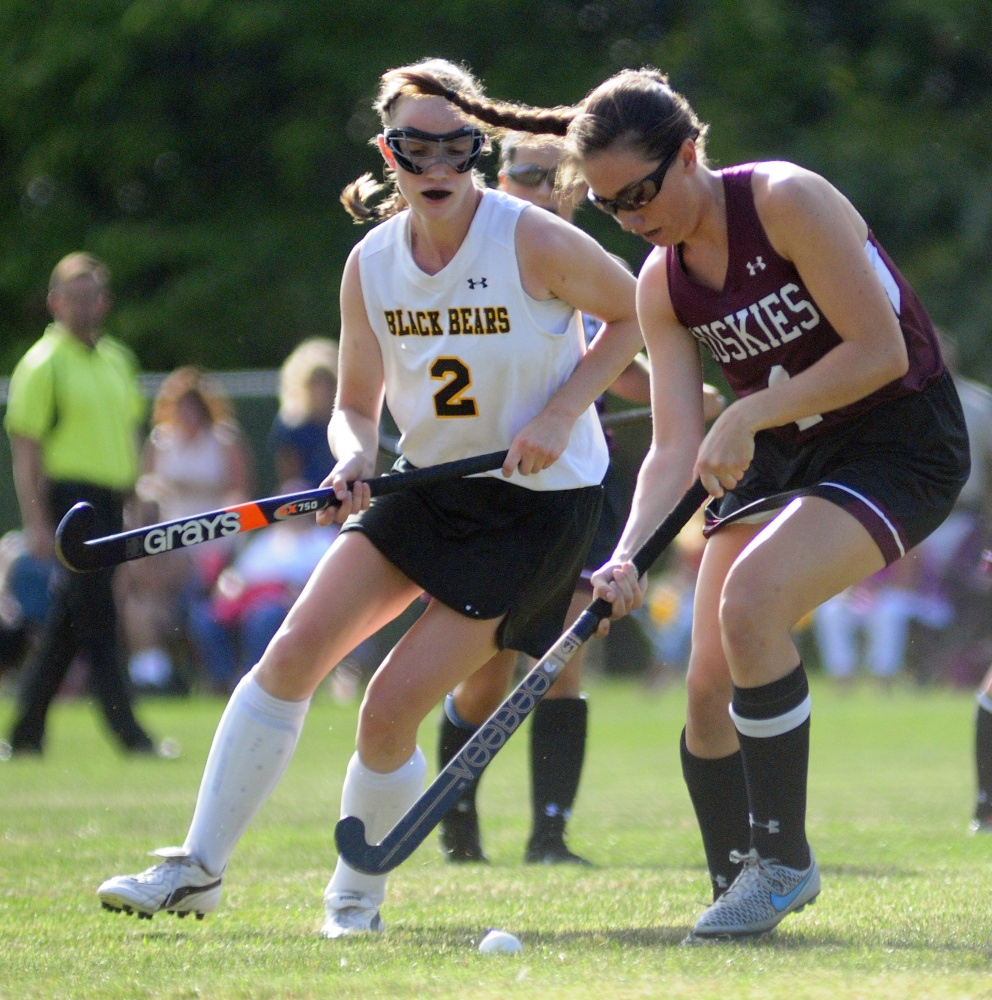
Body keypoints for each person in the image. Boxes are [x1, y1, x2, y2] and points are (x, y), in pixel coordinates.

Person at [400, 67, 970, 939]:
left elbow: (880, 350)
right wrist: (625, 555)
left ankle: (782, 865)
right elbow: (670, 446)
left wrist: (747, 410)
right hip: (782, 450)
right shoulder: (662, 282)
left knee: (753, 601)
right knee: (707, 686)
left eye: (641, 192)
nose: (632, 218)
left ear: (690, 152)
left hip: (899, 439)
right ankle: (736, 892)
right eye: (609, 205)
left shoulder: (784, 201)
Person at [95, 57, 643, 937]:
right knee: (292, 650)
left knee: (388, 708)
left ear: (478, 151)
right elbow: (355, 404)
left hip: (535, 508)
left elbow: (637, 311)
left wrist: (564, 409)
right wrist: (350, 459)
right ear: (388, 152)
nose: (435, 167)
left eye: (456, 148)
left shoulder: (528, 236)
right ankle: (197, 868)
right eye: (413, 147)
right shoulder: (371, 264)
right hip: (425, 486)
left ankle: (355, 903)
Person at [435, 132, 727, 865]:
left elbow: (620, 361)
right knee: (486, 672)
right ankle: (456, 823)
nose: (545, 188)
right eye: (530, 174)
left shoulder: (586, 269)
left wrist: (690, 396)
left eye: (559, 177)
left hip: (574, 492)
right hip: (489, 497)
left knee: (564, 659)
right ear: (502, 177)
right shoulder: (478, 257)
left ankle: (550, 836)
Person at [4, 252, 159, 755]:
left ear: (104, 302)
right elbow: (27, 450)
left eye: (91, 296)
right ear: (54, 303)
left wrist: (138, 498)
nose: (83, 307)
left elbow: (127, 437)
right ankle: (129, 734)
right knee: (96, 618)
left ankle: (25, 732)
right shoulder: (43, 364)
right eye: (72, 298)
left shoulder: (118, 360)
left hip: (110, 499)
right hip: (71, 502)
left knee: (73, 620)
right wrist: (37, 522)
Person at [121, 366, 252, 691]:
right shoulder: (160, 443)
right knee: (136, 589)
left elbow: (239, 494)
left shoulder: (223, 441)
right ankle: (152, 666)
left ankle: (159, 659)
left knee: (167, 579)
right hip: (165, 539)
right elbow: (144, 493)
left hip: (211, 540)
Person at [188, 489, 338, 694]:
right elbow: (238, 576)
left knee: (264, 618)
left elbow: (326, 582)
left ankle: (257, 684)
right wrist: (229, 589)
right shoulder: (265, 540)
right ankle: (222, 684)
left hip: (290, 603)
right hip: (248, 600)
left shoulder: (322, 539)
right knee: (206, 618)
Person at [269, 338, 338, 489]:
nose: (321, 389)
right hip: (308, 496)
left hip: (346, 488)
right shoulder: (291, 427)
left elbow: (369, 467)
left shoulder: (349, 422)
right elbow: (289, 477)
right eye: (315, 382)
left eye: (327, 382)